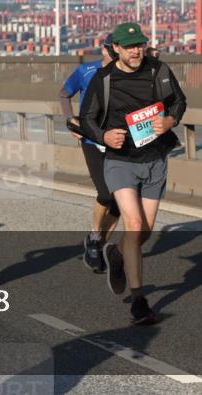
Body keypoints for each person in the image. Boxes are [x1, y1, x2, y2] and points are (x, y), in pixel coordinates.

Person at [79, 22, 186, 325]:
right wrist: (103, 136)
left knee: (144, 232)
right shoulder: (103, 79)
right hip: (120, 161)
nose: (136, 51)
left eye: (140, 45)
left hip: (155, 159)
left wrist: (169, 122)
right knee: (135, 224)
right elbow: (87, 119)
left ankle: (116, 253)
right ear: (116, 49)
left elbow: (179, 102)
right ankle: (139, 302)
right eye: (129, 47)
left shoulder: (158, 70)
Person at [59, 35, 119, 273]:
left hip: (119, 141)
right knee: (105, 193)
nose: (116, 53)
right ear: (104, 49)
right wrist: (70, 120)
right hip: (91, 139)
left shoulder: (128, 73)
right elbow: (64, 94)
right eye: (112, 49)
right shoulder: (86, 71)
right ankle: (94, 235)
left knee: (120, 199)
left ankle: (99, 247)